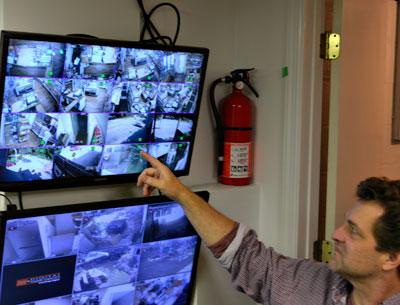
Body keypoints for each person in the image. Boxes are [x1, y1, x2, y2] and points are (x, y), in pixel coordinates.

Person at [137, 151, 400, 305]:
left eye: (353, 231)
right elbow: (248, 258)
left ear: (391, 258)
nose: (336, 234)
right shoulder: (317, 285)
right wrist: (179, 192)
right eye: (345, 223)